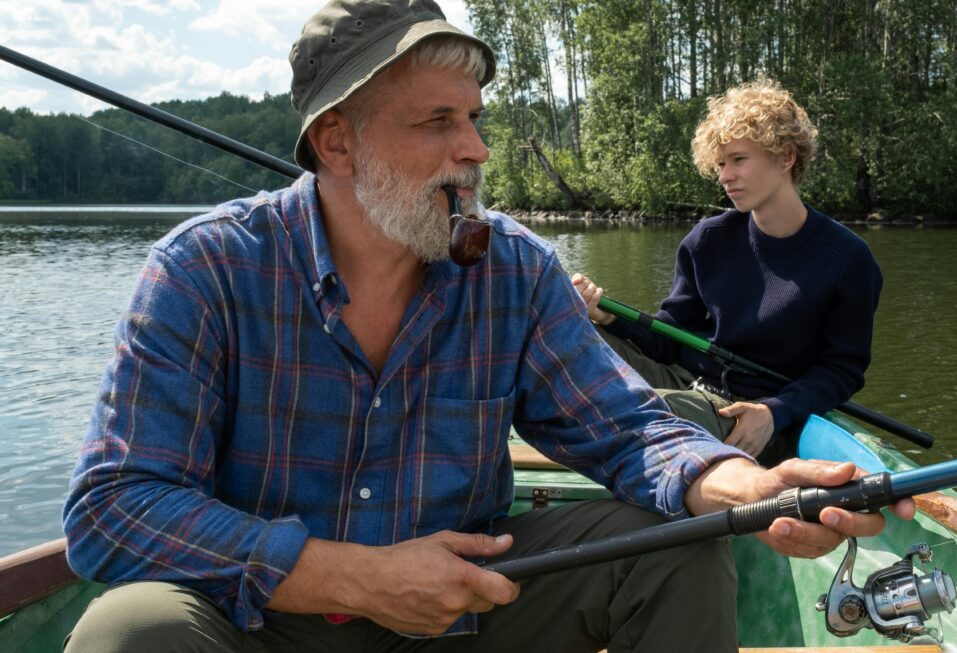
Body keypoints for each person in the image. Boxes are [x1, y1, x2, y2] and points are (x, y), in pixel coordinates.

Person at [61, 3, 911, 651]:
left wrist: (745, 485)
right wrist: (354, 575)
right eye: (438, 122)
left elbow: (626, 427)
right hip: (263, 620)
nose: (476, 148)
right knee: (128, 629)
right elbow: (114, 507)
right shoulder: (205, 268)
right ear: (337, 144)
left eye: (474, 118)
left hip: (467, 610)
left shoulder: (513, 267)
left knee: (674, 544)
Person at [573, 79, 883, 465]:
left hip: (752, 415)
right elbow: (668, 338)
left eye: (738, 160)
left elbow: (842, 370)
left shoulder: (847, 259)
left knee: (629, 405)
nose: (725, 176)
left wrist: (775, 412)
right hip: (684, 383)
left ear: (786, 157)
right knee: (568, 330)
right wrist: (604, 316)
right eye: (720, 164)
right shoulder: (707, 240)